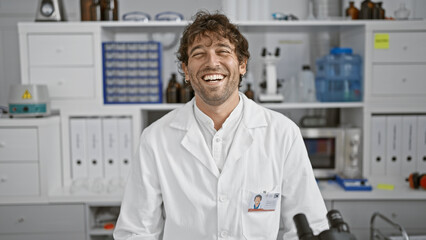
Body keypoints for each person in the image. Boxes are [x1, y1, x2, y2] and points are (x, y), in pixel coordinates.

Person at [114, 10, 328, 240]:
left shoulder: (283, 134)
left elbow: (309, 227)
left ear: (242, 64)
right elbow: (136, 232)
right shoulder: (156, 139)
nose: (211, 62)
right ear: (186, 70)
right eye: (199, 54)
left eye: (222, 51)